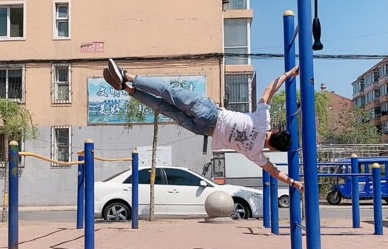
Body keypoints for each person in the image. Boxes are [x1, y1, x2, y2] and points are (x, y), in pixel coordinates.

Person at [104, 59, 304, 192]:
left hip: (210, 113)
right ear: (273, 148)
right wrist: (293, 182)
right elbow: (274, 171)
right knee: (162, 107)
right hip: (205, 131)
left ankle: (127, 76)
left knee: (167, 91)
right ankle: (126, 88)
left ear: (275, 131)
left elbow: (269, 90)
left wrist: (288, 74)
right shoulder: (256, 154)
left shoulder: (262, 120)